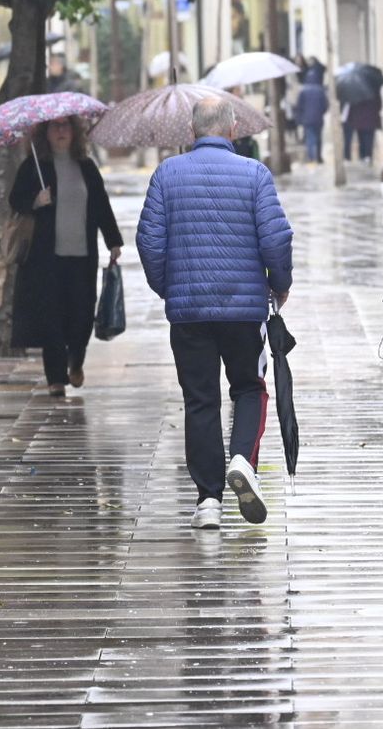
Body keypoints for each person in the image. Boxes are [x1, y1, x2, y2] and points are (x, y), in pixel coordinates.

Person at [136, 97, 293, 530]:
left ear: (193, 130)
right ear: (232, 129)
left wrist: (170, 288)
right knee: (248, 387)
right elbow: (276, 240)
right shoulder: (255, 175)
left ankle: (208, 501)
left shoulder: (166, 174)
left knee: (200, 400)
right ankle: (242, 457)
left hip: (189, 314)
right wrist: (280, 284)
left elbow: (149, 243)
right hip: (243, 311)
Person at [8, 117, 123, 396]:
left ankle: (76, 360)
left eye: (65, 126)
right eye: (54, 127)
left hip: (82, 255)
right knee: (52, 316)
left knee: (82, 313)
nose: (60, 132)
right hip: (46, 259)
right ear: (45, 134)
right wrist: (36, 201)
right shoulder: (35, 167)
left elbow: (101, 205)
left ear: (75, 132)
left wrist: (113, 241)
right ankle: (56, 379)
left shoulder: (86, 166)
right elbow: (15, 200)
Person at [294, 67, 329, 164]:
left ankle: (311, 158)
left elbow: (299, 106)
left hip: (307, 119)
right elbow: (326, 105)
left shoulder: (303, 91)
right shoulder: (320, 90)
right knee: (318, 138)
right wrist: (321, 113)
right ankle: (319, 157)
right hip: (318, 119)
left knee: (309, 138)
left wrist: (300, 118)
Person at [345, 96, 381, 164]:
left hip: (360, 122)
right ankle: (367, 155)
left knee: (362, 139)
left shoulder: (356, 98)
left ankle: (363, 155)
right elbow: (378, 107)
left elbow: (352, 110)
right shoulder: (373, 97)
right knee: (369, 140)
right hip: (370, 122)